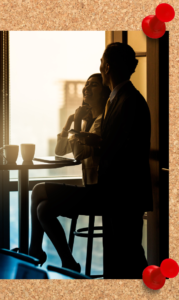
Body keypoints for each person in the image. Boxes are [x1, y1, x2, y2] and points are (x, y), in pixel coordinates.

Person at [80, 42, 153, 279]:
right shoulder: (122, 98)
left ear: (107, 66)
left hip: (124, 192)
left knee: (128, 253)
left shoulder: (126, 100)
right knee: (122, 252)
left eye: (101, 61)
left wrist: (96, 142)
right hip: (120, 192)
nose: (99, 66)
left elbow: (119, 147)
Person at [28, 73, 110, 272]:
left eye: (93, 85)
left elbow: (80, 153)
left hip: (99, 193)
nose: (86, 89)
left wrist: (75, 124)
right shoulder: (88, 122)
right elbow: (59, 151)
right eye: (86, 85)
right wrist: (70, 122)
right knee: (43, 210)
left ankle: (34, 250)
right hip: (90, 190)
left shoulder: (102, 122)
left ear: (104, 93)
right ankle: (68, 263)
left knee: (38, 190)